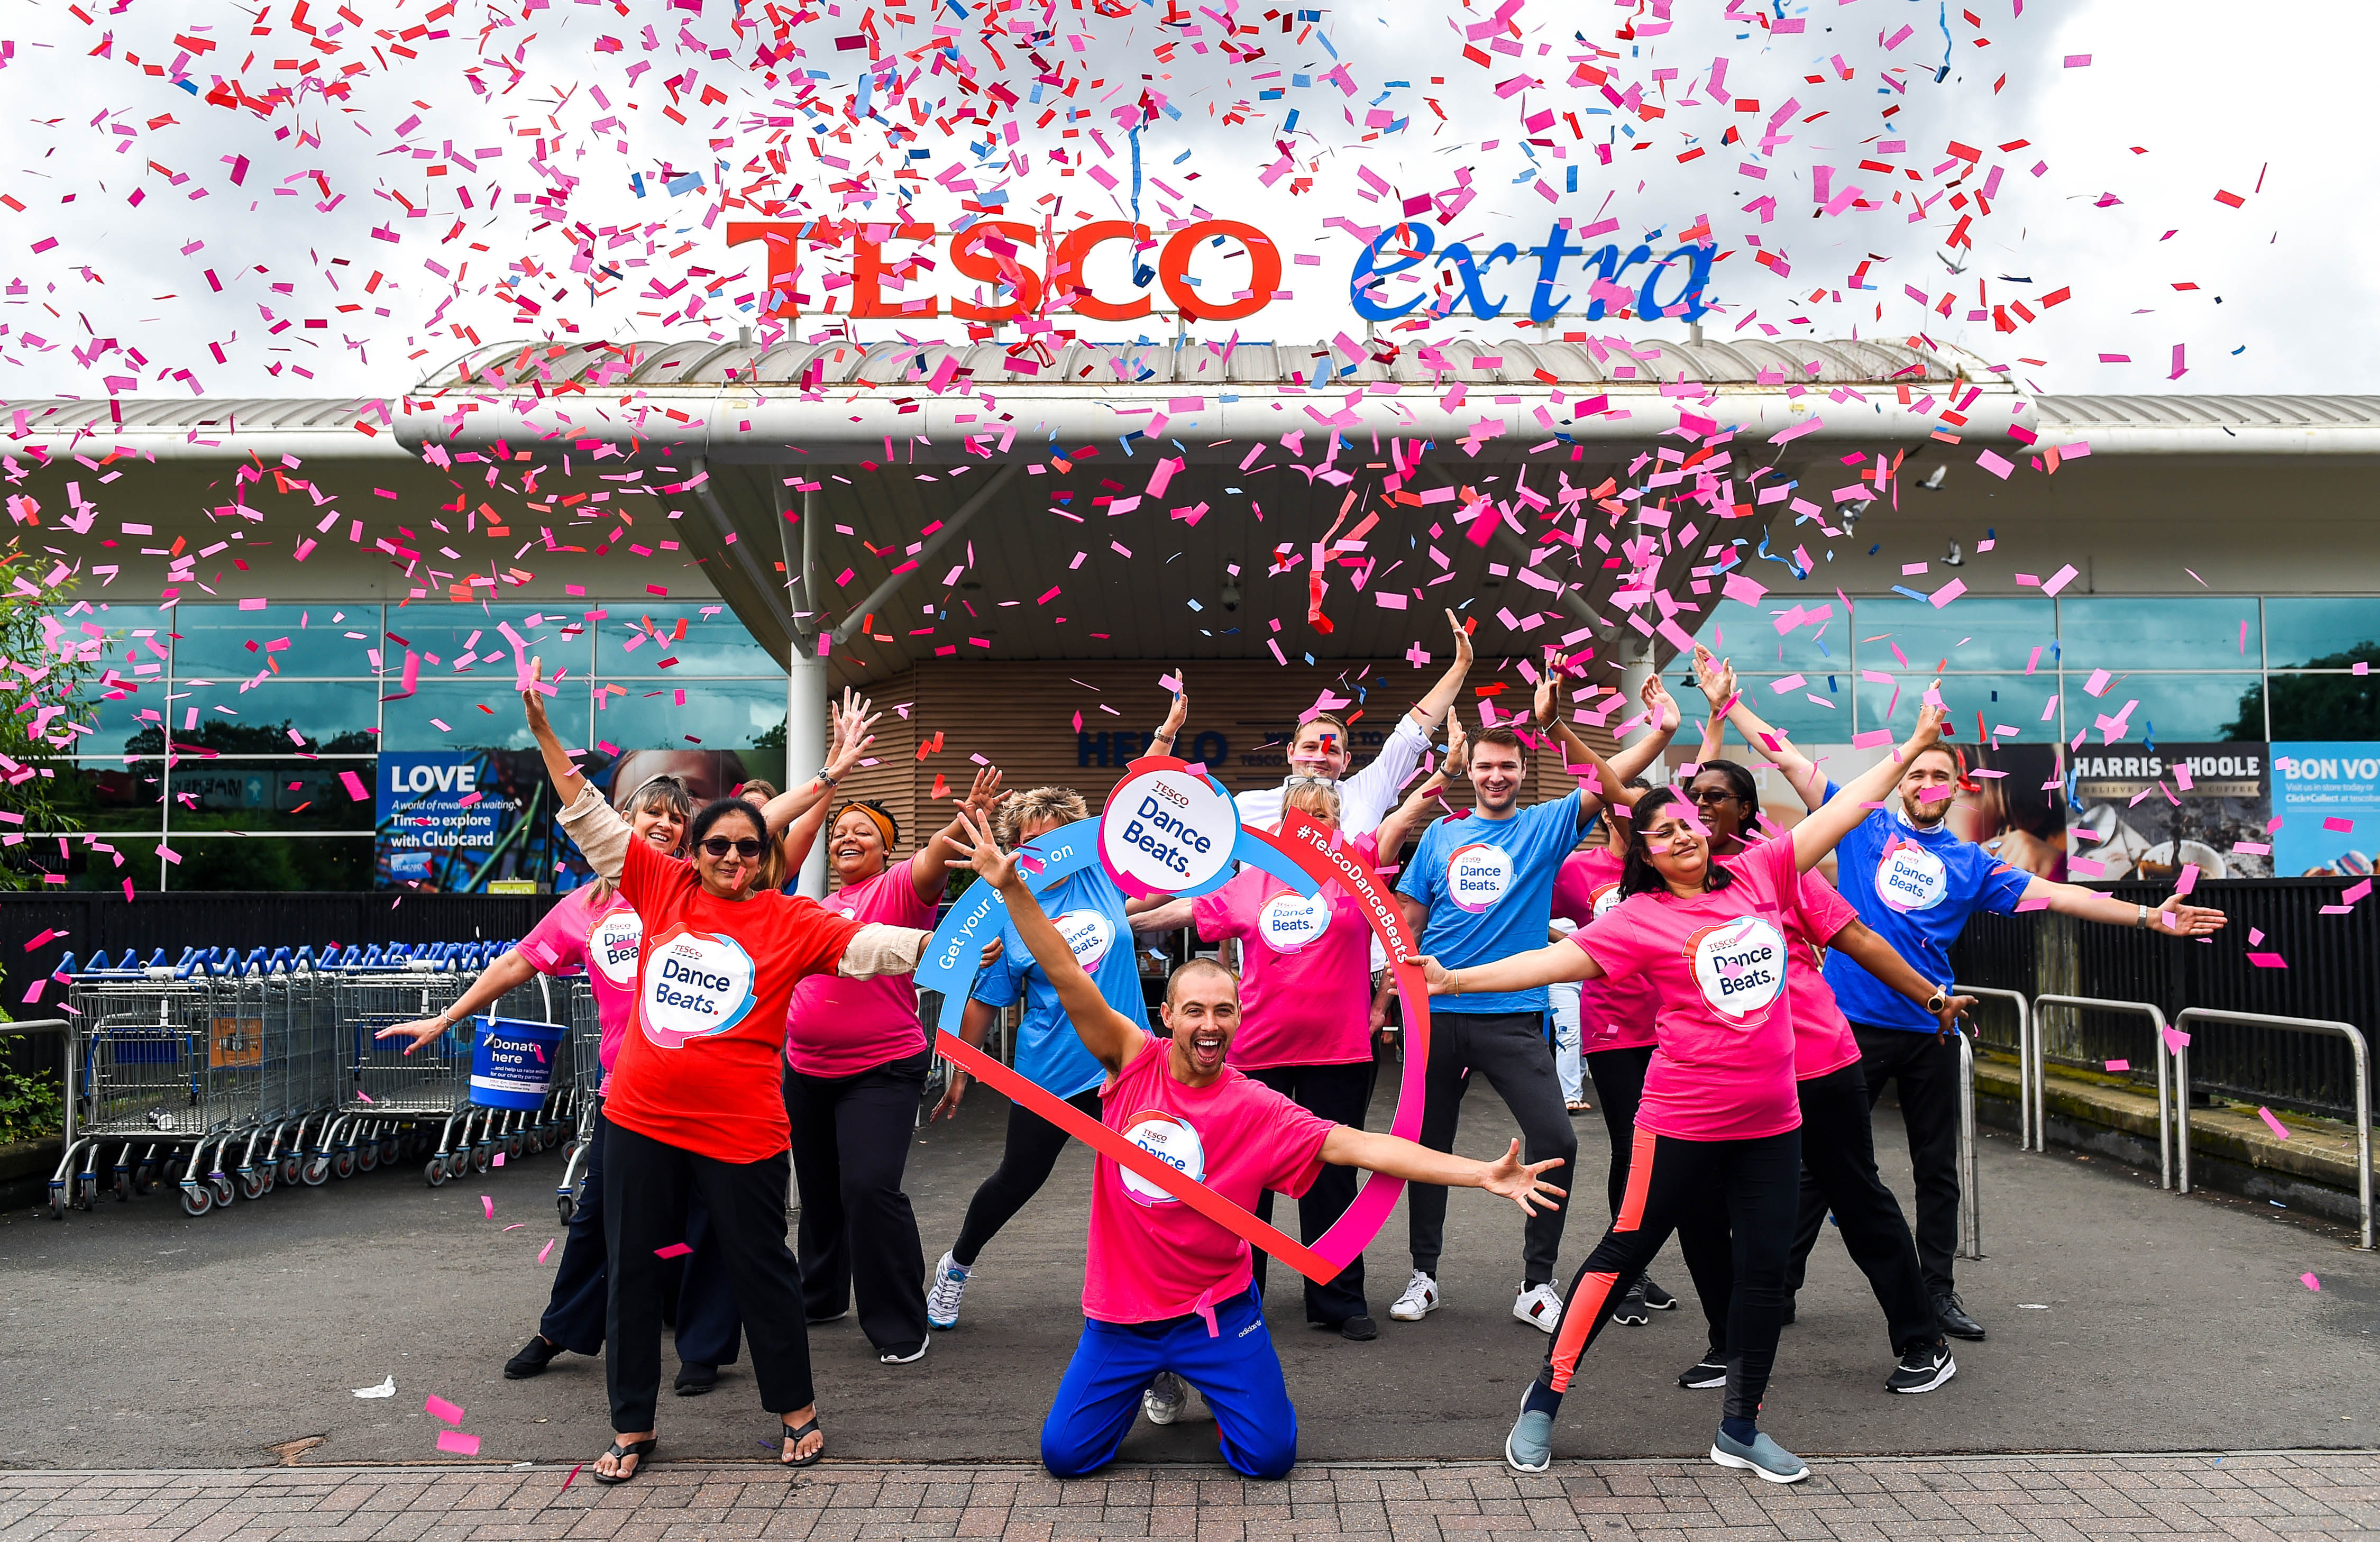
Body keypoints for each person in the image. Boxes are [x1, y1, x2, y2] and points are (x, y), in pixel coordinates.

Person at [1419, 703, 1958, 1484]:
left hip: (1773, 1120)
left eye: (1687, 823)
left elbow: (1843, 810)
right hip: (1681, 1120)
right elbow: (1544, 964)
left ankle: (1740, 1426)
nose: (1680, 832)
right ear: (1642, 849)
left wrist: (1908, 747)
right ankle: (1545, 1396)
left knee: (1765, 1273)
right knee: (1621, 1252)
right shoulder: (1639, 919)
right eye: (1661, 829)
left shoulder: (1761, 872)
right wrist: (1457, 977)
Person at [946, 805, 1567, 1481]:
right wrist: (1011, 888)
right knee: (1066, 1457)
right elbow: (1067, 971)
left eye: (1224, 1010)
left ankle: (1207, 1374)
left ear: (1240, 1017)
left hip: (1216, 1312)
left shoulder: (1256, 1104)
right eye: (1195, 1010)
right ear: (1167, 1016)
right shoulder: (1132, 1060)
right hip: (1121, 1314)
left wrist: (1482, 1173)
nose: (1209, 1025)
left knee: (1269, 1458)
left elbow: (1364, 1147)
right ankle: (1148, 1376)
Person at [1692, 647, 2228, 1342]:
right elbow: (1788, 756)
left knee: (1934, 1166)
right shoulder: (1864, 825)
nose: (1926, 780)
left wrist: (2151, 915)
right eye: (1916, 771)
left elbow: (2059, 893)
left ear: (1956, 786)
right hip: (1848, 1025)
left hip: (1930, 1025)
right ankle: (1781, 1290)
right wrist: (1728, 704)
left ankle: (1937, 1292)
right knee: (1821, 1165)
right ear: (1902, 781)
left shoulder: (1974, 863)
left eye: (1940, 773)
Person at [523, 674, 940, 1484]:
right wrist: (545, 733)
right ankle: (632, 1424)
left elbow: (876, 947)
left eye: (750, 847)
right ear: (697, 851)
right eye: (718, 844)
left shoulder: (791, 918)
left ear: (765, 859)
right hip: (639, 1114)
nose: (733, 857)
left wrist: (958, 947)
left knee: (762, 1266)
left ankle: (796, 1408)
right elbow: (587, 812)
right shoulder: (661, 884)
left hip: (742, 1128)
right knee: (634, 1269)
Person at [377, 773, 749, 1397]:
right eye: (650, 813)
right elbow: (516, 962)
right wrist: (445, 1017)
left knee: (708, 1216)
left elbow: (770, 832)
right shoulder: (583, 908)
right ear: (622, 823)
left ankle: (702, 1347)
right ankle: (561, 1329)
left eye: (677, 817)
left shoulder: (699, 891)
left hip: (708, 1087)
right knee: (598, 1215)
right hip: (626, 1089)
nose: (665, 823)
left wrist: (825, 779)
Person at [1667, 709, 1971, 1399]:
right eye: (1695, 797)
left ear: (1744, 811)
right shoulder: (1669, 889)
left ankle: (1924, 1341)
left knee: (1858, 1198)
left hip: (1817, 1065)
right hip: (1727, 1078)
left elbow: (1858, 938)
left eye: (1719, 796)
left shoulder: (1776, 870)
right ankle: (1732, 1340)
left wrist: (1931, 996)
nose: (1703, 807)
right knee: (1704, 1203)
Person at [1122, 752, 1456, 1351]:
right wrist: (1115, 916)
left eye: (1325, 813)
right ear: (1279, 825)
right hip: (1259, 1053)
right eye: (1301, 815)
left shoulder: (1358, 868)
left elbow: (1404, 820)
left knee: (1334, 1176)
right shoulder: (1249, 878)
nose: (1313, 824)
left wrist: (1447, 770)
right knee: (1245, 1178)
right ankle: (1237, 1292)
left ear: (1338, 820)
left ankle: (1338, 1296)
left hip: (1341, 1051)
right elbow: (1183, 909)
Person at [1389, 676, 1677, 1334]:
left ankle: (1537, 1283)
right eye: (1485, 766)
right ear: (1472, 772)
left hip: (1515, 1015)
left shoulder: (1547, 825)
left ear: (1524, 770)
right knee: (1427, 1146)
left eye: (1507, 765)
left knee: (1557, 1138)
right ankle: (1424, 1274)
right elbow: (1408, 915)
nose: (1496, 775)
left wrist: (1655, 730)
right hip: (1435, 1016)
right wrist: (1390, 996)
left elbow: (1611, 780)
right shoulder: (1439, 836)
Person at [777, 762, 1004, 1366]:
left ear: (885, 849)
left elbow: (934, 856)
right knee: (822, 1192)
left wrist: (963, 817)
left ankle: (900, 1322)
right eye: (840, 832)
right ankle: (821, 1295)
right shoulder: (816, 904)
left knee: (868, 1188)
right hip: (804, 1066)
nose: (847, 838)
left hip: (880, 1066)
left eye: (863, 832)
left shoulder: (900, 888)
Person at [923, 784, 1169, 1329]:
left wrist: (1166, 739)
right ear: (1014, 848)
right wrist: (962, 1068)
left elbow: (1135, 808)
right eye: (1029, 839)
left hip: (1128, 1066)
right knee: (1018, 1178)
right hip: (1052, 1070)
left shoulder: (1103, 876)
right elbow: (987, 1001)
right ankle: (956, 1267)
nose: (1042, 846)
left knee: (1148, 1181)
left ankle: (1155, 1302)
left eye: (1055, 834)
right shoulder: (1009, 913)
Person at [1545, 774, 1682, 1328]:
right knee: (1632, 1146)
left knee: (1672, 1150)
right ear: (1608, 816)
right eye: (1629, 812)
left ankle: (1638, 1267)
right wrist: (1587, 950)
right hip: (1612, 1030)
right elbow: (1538, 920)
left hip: (1672, 1026)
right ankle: (1622, 1271)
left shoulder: (1669, 871)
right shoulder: (1580, 870)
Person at [1164, 609, 1473, 837]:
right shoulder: (1247, 806)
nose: (1321, 757)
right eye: (1310, 747)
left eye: (1332, 750)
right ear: (1289, 752)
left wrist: (1461, 666)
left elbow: (1412, 731)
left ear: (1346, 760)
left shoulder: (1366, 792)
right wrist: (1168, 733)